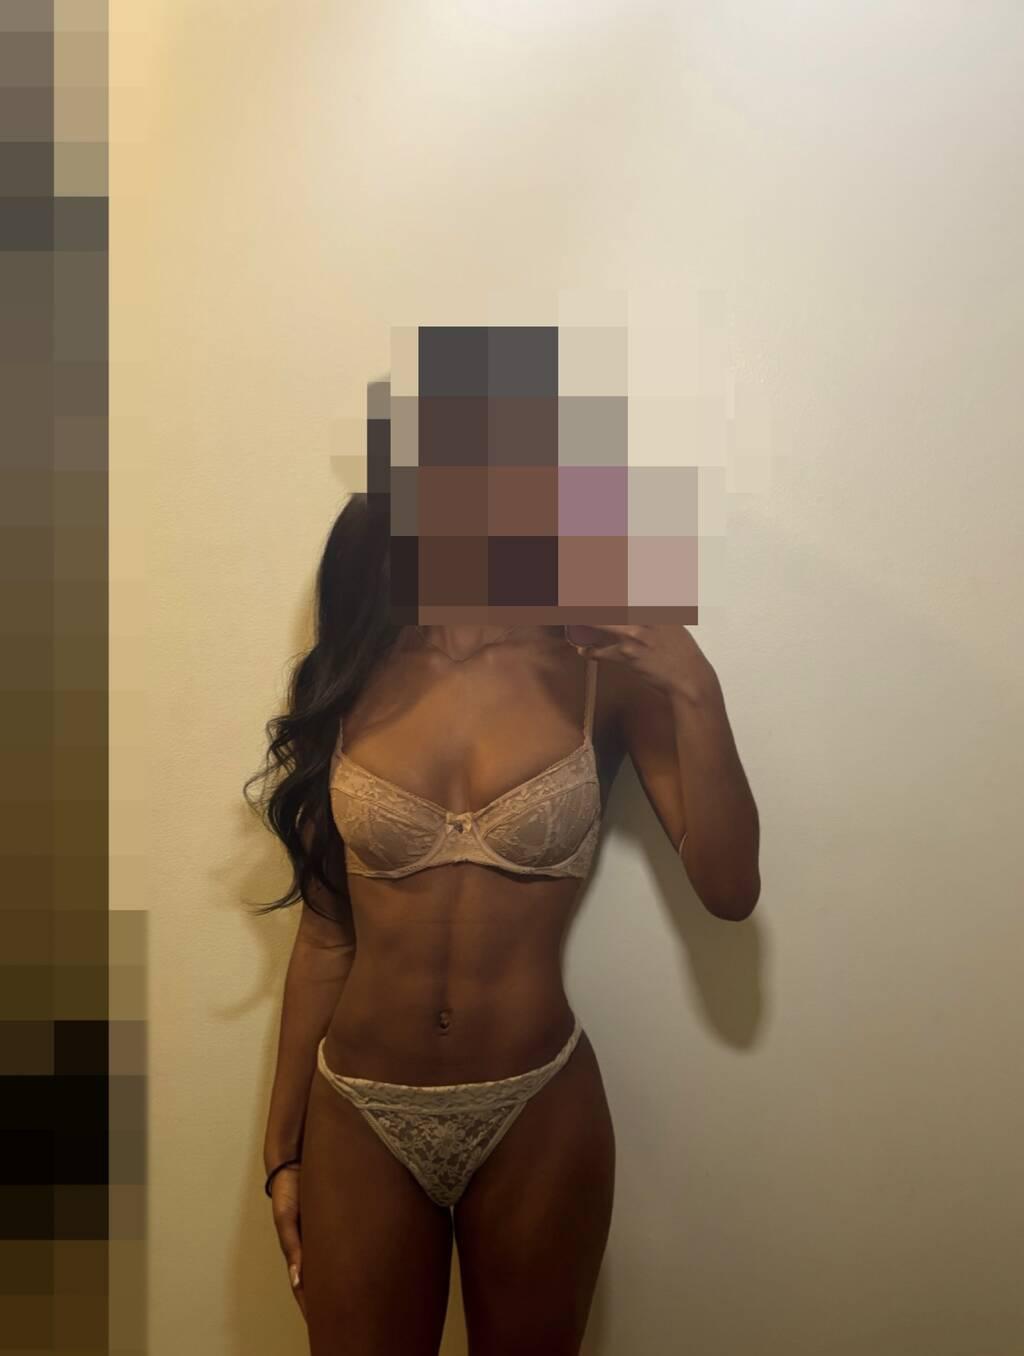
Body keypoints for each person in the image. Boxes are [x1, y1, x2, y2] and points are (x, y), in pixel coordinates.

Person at [245, 492, 761, 1356]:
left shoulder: (601, 670)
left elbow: (730, 887)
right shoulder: (353, 666)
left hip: (537, 1106)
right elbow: (327, 937)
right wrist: (280, 1155)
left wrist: (696, 688)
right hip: (358, 1110)